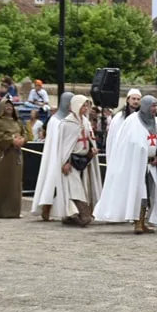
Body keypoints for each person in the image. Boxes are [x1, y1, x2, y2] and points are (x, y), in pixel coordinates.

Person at [93, 95, 157, 233]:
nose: (155, 109)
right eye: (152, 106)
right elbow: (128, 143)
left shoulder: (155, 122)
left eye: (156, 106)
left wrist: (156, 155)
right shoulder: (132, 121)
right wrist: (141, 154)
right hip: (135, 164)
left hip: (151, 164)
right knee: (139, 192)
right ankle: (137, 222)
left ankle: (143, 222)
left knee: (149, 193)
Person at [56, 94, 101, 227]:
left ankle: (74, 215)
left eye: (87, 105)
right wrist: (65, 162)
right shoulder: (66, 124)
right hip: (72, 160)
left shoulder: (85, 122)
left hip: (85, 159)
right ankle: (83, 214)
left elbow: (90, 139)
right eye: (83, 105)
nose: (85, 108)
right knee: (75, 188)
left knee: (84, 186)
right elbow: (64, 145)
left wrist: (92, 150)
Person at [30, 94, 73, 221]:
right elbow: (54, 142)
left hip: (66, 156)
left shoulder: (70, 119)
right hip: (55, 157)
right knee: (51, 184)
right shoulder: (55, 120)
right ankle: (46, 209)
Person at [0, 98, 28, 218]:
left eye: (11, 105)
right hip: (2, 155)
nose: (9, 107)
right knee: (0, 181)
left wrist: (22, 140)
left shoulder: (18, 122)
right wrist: (11, 140)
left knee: (15, 183)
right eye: (6, 105)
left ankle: (14, 211)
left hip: (16, 155)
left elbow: (24, 133)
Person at [106, 88, 141, 163]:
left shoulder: (142, 118)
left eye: (138, 99)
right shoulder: (119, 117)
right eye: (133, 99)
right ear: (128, 100)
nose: (136, 101)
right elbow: (113, 138)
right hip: (121, 155)